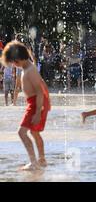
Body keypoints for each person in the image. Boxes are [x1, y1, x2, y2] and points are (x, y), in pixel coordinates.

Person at [2, 41, 51, 170]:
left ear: (17, 59)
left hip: (35, 104)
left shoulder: (30, 70)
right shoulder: (27, 68)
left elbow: (40, 91)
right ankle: (42, 159)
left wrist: (39, 111)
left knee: (21, 133)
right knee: (34, 133)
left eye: (13, 62)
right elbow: (43, 84)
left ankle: (33, 162)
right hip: (34, 103)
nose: (13, 65)